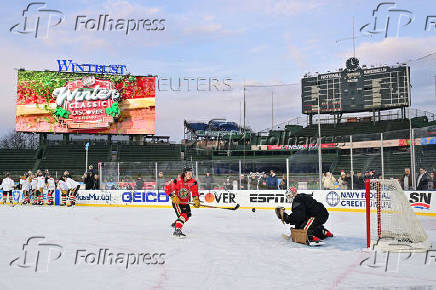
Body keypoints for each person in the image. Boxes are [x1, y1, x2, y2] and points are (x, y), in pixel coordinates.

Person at [165, 166, 200, 238]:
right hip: (177, 202)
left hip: (185, 202)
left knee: (187, 216)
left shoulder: (193, 182)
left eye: (191, 173)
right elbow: (167, 188)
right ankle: (177, 230)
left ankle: (177, 222)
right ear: (184, 174)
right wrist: (173, 196)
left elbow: (195, 192)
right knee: (183, 215)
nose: (190, 175)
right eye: (189, 173)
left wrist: (196, 199)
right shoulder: (176, 181)